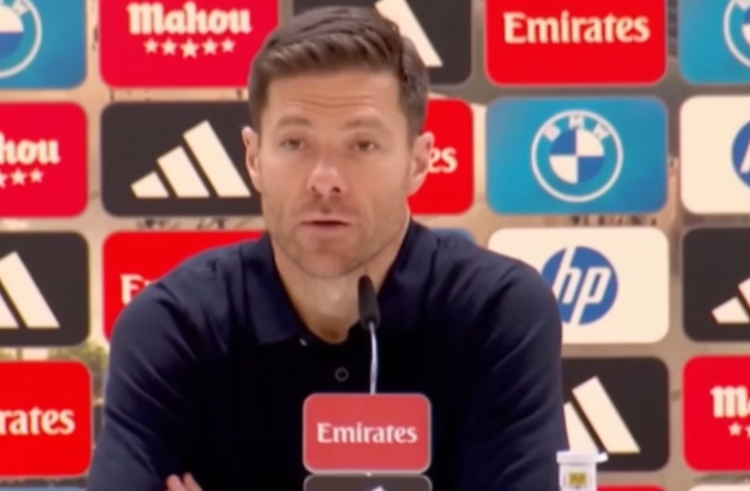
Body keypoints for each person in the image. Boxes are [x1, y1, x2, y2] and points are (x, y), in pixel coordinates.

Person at [87, 6, 568, 491]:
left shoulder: (496, 312)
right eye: (295, 143)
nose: (325, 180)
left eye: (362, 145)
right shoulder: (174, 328)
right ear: (253, 158)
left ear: (419, 162)